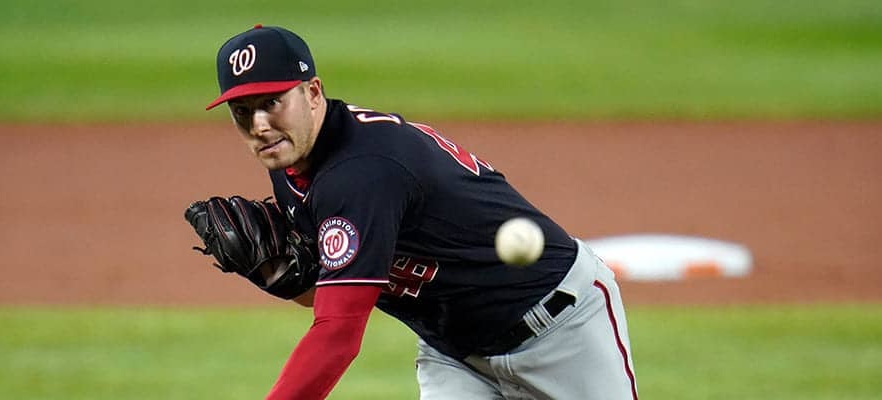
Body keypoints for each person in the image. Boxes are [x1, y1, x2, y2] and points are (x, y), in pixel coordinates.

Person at [203, 24, 638, 400]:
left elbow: (338, 332)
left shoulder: (362, 173)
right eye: (243, 112)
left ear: (312, 93)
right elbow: (331, 293)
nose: (259, 125)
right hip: (455, 355)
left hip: (561, 331)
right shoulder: (292, 164)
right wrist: (276, 275)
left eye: (272, 103)